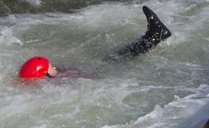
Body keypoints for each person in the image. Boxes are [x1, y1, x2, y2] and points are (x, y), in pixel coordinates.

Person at [17, 5, 172, 81]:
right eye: (52, 68)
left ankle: (155, 36)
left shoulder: (52, 80)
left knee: (114, 58)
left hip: (97, 76)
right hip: (103, 77)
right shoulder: (61, 79)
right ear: (45, 74)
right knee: (116, 59)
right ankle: (155, 36)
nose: (55, 67)